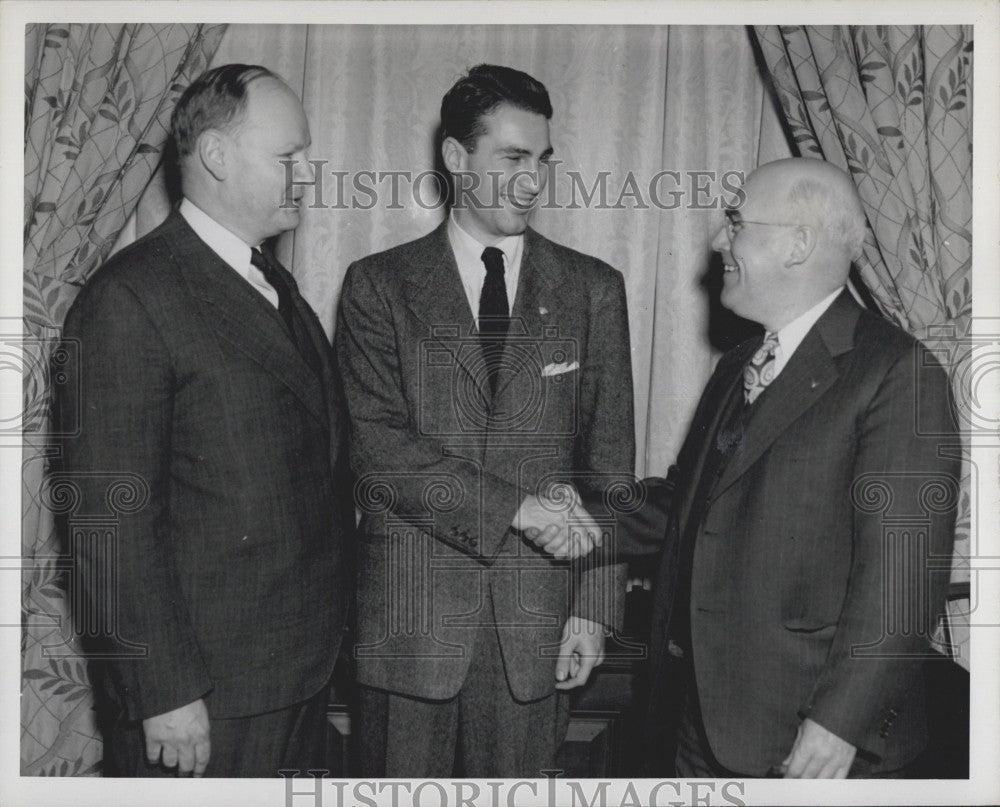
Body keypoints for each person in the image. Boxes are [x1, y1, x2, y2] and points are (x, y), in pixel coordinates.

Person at [533, 157, 959, 778]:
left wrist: (839, 724)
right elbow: (685, 506)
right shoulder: (739, 365)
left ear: (799, 244)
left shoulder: (897, 374)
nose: (717, 241)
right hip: (698, 722)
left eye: (735, 221)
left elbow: (901, 581)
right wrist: (581, 521)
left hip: (810, 741)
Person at [335, 63, 634, 777]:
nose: (533, 180)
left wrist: (593, 607)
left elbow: (610, 464)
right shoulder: (379, 286)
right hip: (408, 632)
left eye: (543, 160)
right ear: (455, 157)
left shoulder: (592, 290)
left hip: (535, 631)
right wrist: (519, 509)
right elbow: (378, 450)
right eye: (512, 158)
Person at [59, 64, 349, 777]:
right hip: (203, 698)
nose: (309, 175)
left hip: (294, 674)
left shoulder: (271, 282)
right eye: (290, 157)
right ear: (217, 156)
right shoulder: (130, 298)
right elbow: (108, 516)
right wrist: (164, 690)